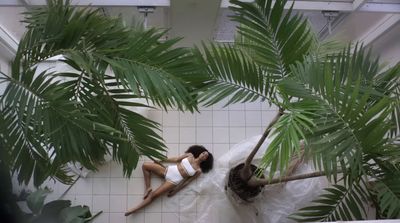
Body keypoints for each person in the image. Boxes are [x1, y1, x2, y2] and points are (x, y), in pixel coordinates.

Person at [125, 145, 214, 216]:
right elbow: (175, 159)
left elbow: (186, 182)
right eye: (203, 153)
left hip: (173, 181)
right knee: (145, 165)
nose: (203, 155)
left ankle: (134, 210)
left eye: (206, 156)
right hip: (167, 170)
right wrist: (161, 160)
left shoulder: (198, 171)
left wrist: (175, 191)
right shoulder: (189, 155)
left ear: (205, 159)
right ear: (200, 153)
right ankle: (148, 187)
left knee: (154, 195)